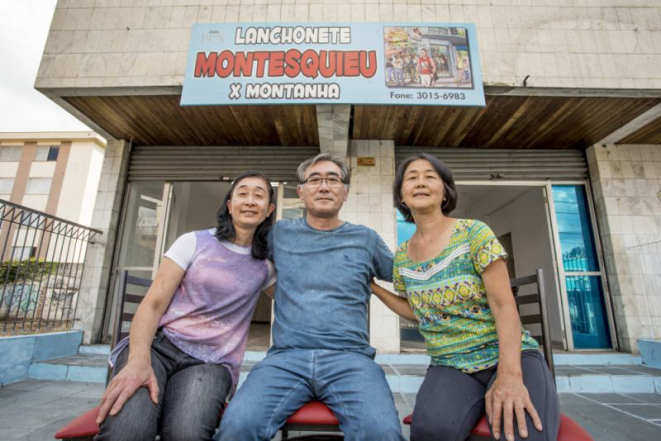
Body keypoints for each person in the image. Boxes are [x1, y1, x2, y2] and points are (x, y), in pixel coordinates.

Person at [370, 153, 560, 441]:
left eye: (430, 176)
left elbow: (503, 303)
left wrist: (510, 376)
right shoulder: (402, 256)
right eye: (411, 177)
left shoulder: (473, 232)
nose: (420, 182)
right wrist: (373, 287)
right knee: (429, 431)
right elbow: (416, 311)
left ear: (445, 190)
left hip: (508, 355)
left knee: (524, 432)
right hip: (449, 363)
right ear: (401, 194)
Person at [217, 153, 405, 441]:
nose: (324, 186)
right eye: (314, 180)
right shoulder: (277, 235)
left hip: (351, 359)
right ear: (301, 192)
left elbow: (406, 277)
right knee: (236, 427)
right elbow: (239, 261)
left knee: (382, 433)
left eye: (333, 179)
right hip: (286, 358)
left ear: (346, 193)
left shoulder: (365, 239)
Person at [95, 171, 277, 441]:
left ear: (269, 210)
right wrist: (138, 359)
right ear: (230, 205)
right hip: (160, 347)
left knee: (186, 434)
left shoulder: (265, 265)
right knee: (129, 431)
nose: (250, 201)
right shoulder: (194, 241)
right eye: (243, 193)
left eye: (259, 195)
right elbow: (153, 304)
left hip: (212, 363)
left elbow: (296, 299)